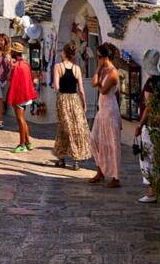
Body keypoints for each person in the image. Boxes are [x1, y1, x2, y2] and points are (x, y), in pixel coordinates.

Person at [52, 41, 92, 170]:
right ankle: (75, 160)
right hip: (75, 100)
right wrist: (84, 104)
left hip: (63, 99)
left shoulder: (58, 67)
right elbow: (81, 89)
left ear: (64, 53)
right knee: (75, 129)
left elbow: (56, 87)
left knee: (63, 129)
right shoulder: (77, 69)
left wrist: (58, 90)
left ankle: (62, 158)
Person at [90, 42, 122, 187]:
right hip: (102, 110)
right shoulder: (103, 70)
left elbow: (103, 90)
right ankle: (100, 171)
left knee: (112, 144)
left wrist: (99, 78)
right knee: (95, 139)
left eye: (99, 57)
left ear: (105, 57)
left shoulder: (113, 73)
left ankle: (116, 177)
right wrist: (98, 68)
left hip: (110, 110)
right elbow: (93, 83)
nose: (97, 59)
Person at [134, 49, 160, 203]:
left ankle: (152, 191)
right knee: (157, 157)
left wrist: (140, 124)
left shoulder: (151, 83)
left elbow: (149, 106)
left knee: (148, 157)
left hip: (151, 126)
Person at [7, 41, 37, 152]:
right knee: (22, 119)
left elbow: (10, 79)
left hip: (19, 96)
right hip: (26, 95)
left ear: (14, 52)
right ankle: (28, 142)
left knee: (20, 120)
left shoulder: (16, 66)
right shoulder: (26, 65)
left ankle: (22, 144)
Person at [0, 34, 12, 127]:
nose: (0, 42)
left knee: (2, 100)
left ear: (5, 42)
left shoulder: (8, 53)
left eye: (2, 40)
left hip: (6, 80)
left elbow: (11, 66)